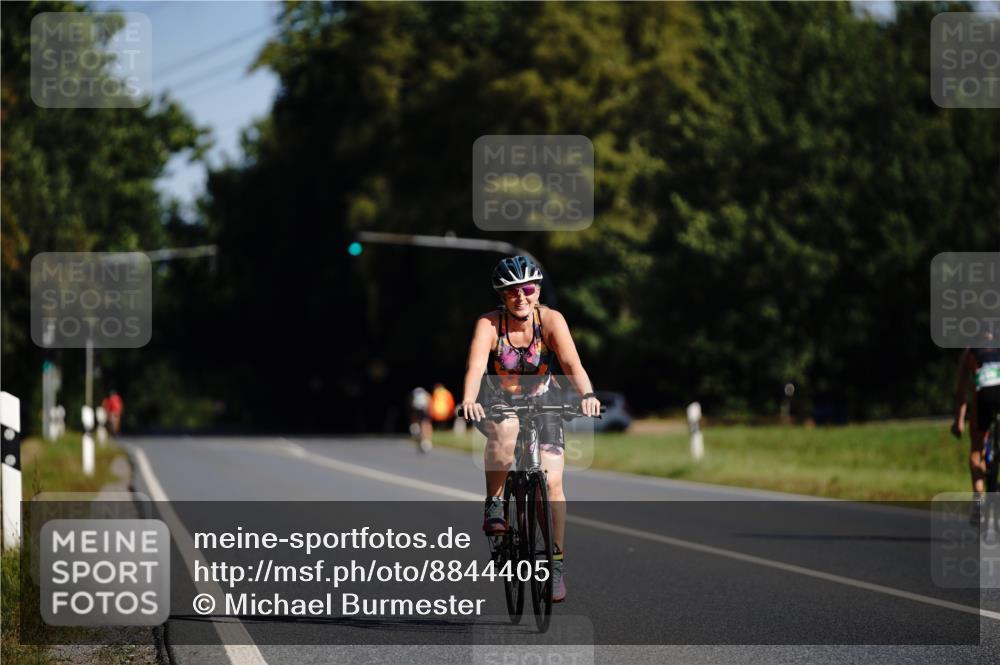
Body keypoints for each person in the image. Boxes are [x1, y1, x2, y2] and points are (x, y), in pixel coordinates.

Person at [459, 256, 600, 603]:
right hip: (498, 400)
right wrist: (468, 399)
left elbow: (572, 364)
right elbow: (476, 367)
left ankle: (555, 564)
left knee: (552, 483)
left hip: (544, 402)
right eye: (511, 291)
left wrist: (588, 395)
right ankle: (494, 504)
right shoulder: (490, 325)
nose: (520, 296)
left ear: (537, 291)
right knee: (506, 430)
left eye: (527, 288)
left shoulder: (551, 321)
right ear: (501, 295)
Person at [951, 332, 1000, 524]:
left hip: (985, 393)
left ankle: (978, 498)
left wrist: (959, 421)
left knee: (977, 448)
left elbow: (961, 393)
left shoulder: (970, 350)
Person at [409, 387, 433, 453]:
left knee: (425, 423)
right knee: (420, 422)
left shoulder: (427, 399)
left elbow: (427, 422)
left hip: (425, 411)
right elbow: (414, 413)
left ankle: (426, 441)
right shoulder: (414, 399)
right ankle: (420, 437)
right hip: (418, 409)